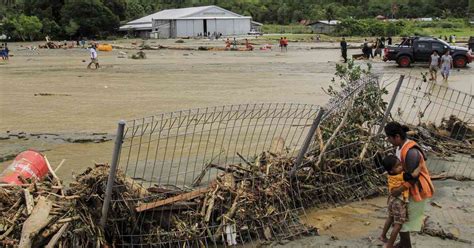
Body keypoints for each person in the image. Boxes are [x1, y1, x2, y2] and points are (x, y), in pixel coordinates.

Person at [384, 122, 434, 248]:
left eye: (389, 138)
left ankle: (405, 245)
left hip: (417, 188)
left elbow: (413, 178)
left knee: (403, 222)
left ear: (396, 136)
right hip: (408, 189)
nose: (388, 141)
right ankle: (404, 244)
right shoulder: (400, 147)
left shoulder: (411, 152)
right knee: (401, 220)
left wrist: (398, 190)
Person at [379, 155, 420, 248]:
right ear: (391, 170)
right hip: (399, 202)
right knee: (398, 225)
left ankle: (383, 235)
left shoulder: (390, 175)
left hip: (391, 200)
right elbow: (414, 175)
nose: (401, 167)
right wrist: (420, 165)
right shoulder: (402, 176)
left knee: (390, 217)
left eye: (400, 164)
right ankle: (389, 245)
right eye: (398, 166)